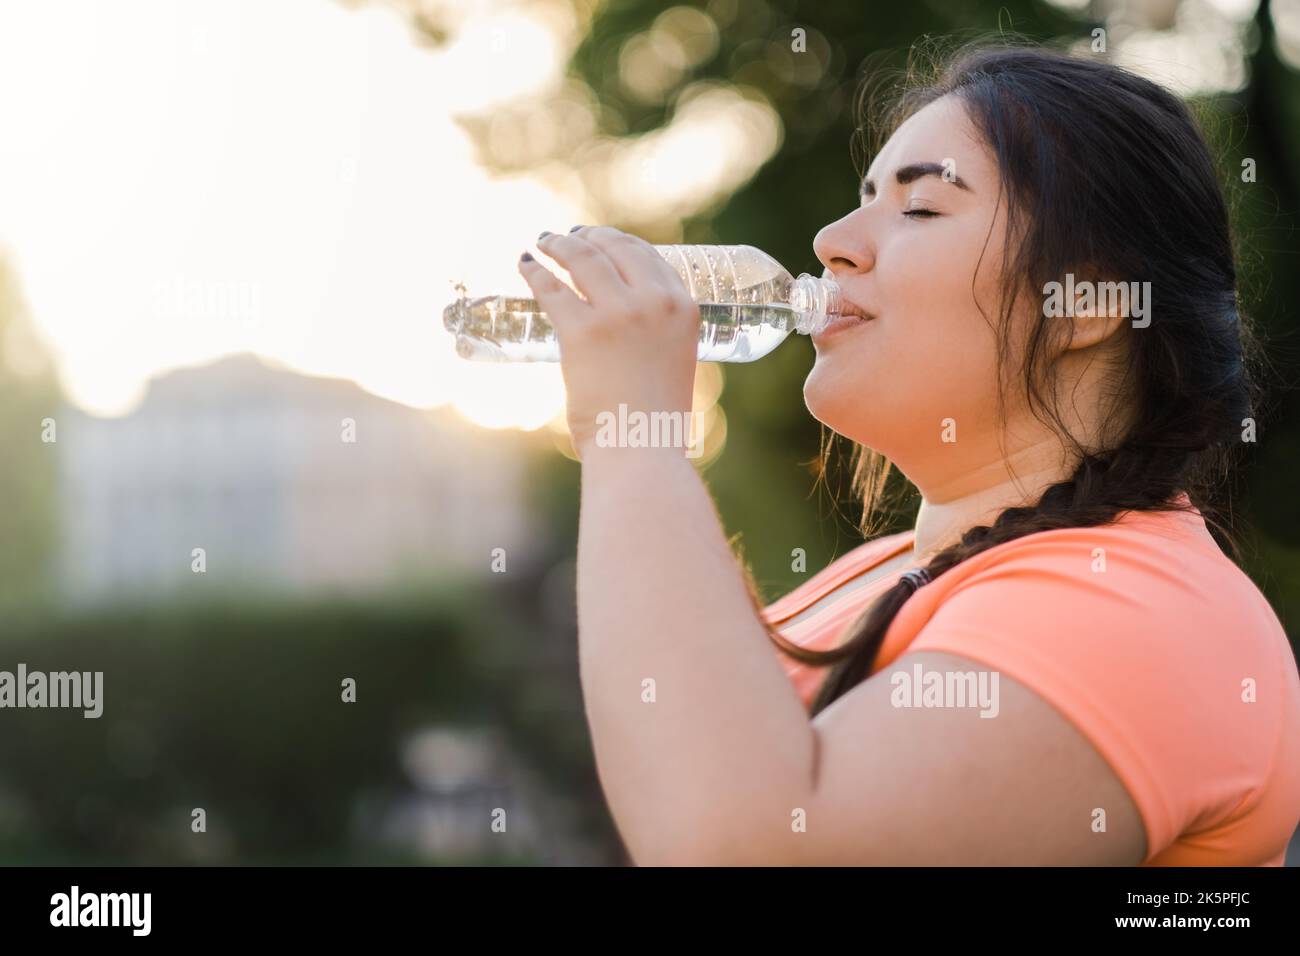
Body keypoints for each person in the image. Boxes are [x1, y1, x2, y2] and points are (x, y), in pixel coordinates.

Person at [517, 42, 1300, 866]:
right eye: (863, 200)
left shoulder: (1141, 611)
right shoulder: (887, 573)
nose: (832, 241)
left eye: (920, 208)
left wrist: (631, 433)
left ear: (1084, 306)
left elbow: (745, 845)